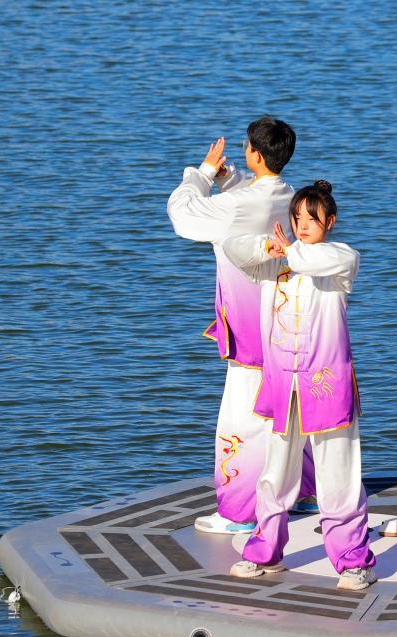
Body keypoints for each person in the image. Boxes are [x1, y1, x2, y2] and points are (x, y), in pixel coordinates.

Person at [223, 181, 376, 591]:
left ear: (331, 220)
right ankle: (266, 552)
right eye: (296, 218)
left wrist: (289, 250)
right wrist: (266, 247)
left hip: (327, 387)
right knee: (275, 473)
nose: (302, 225)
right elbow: (233, 248)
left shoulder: (339, 261)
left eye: (311, 218)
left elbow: (327, 258)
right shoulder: (276, 264)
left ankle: (353, 560)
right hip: (282, 387)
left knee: (338, 476)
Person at [167, 116, 316, 535]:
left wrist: (203, 173)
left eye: (248, 147)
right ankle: (304, 491)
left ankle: (240, 512)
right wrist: (230, 179)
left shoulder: (235, 206)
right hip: (289, 321)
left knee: (242, 418)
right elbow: (254, 200)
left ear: (256, 155)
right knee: (291, 409)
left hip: (250, 327)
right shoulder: (289, 195)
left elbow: (182, 214)